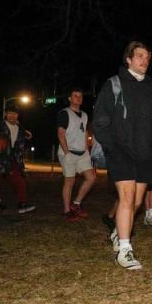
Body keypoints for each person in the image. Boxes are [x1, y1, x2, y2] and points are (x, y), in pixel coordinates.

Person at [93, 41, 152, 270]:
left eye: (147, 57)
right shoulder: (114, 84)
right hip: (121, 151)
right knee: (127, 197)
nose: (144, 60)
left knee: (135, 202)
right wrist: (111, 146)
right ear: (129, 59)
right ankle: (124, 250)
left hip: (145, 154)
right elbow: (100, 119)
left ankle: (117, 232)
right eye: (140, 56)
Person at [0, 104, 36, 214]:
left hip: (12, 160)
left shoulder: (20, 128)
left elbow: (23, 140)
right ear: (5, 114)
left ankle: (22, 204)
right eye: (9, 113)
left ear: (17, 115)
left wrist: (27, 135)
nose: (12, 116)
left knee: (19, 181)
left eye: (14, 114)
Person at [57, 87, 96, 221]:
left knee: (91, 178)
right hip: (68, 152)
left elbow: (85, 132)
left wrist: (87, 149)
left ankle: (76, 204)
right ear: (69, 98)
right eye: (75, 96)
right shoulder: (64, 113)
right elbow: (61, 134)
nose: (78, 98)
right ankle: (66, 210)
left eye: (80, 96)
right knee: (69, 181)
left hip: (82, 152)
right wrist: (66, 152)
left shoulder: (85, 115)